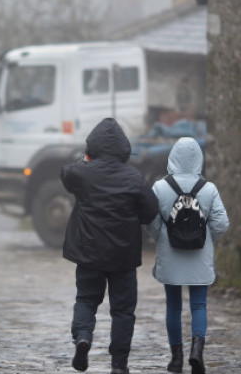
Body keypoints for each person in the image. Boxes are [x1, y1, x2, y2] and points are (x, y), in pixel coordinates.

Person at [61, 117, 160, 374]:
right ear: (124, 148)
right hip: (123, 256)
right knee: (123, 310)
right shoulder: (134, 177)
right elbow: (151, 211)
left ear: (91, 146)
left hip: (88, 252)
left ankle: (83, 337)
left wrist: (85, 160)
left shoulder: (81, 173)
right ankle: (119, 363)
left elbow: (65, 173)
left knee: (86, 299)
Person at [146, 137, 229, 374]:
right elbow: (222, 223)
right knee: (199, 305)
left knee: (173, 306)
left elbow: (150, 222)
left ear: (172, 156)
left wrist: (161, 237)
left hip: (170, 256)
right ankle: (197, 352)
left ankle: (175, 358)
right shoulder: (209, 189)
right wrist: (205, 239)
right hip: (199, 257)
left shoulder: (160, 187)